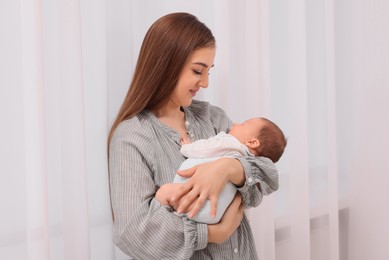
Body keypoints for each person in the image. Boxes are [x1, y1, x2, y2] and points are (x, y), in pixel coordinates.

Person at [108, 12, 279, 260]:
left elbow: (267, 177)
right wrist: (211, 234)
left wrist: (228, 168)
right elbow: (133, 233)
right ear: (166, 63)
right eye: (198, 71)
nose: (206, 83)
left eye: (209, 71)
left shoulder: (213, 119)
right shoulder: (132, 136)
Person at [166, 117, 286, 224]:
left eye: (243, 124)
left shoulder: (231, 143)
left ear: (252, 142)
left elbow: (206, 149)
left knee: (163, 192)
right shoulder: (246, 160)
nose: (235, 123)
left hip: (200, 206)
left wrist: (187, 147)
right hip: (217, 212)